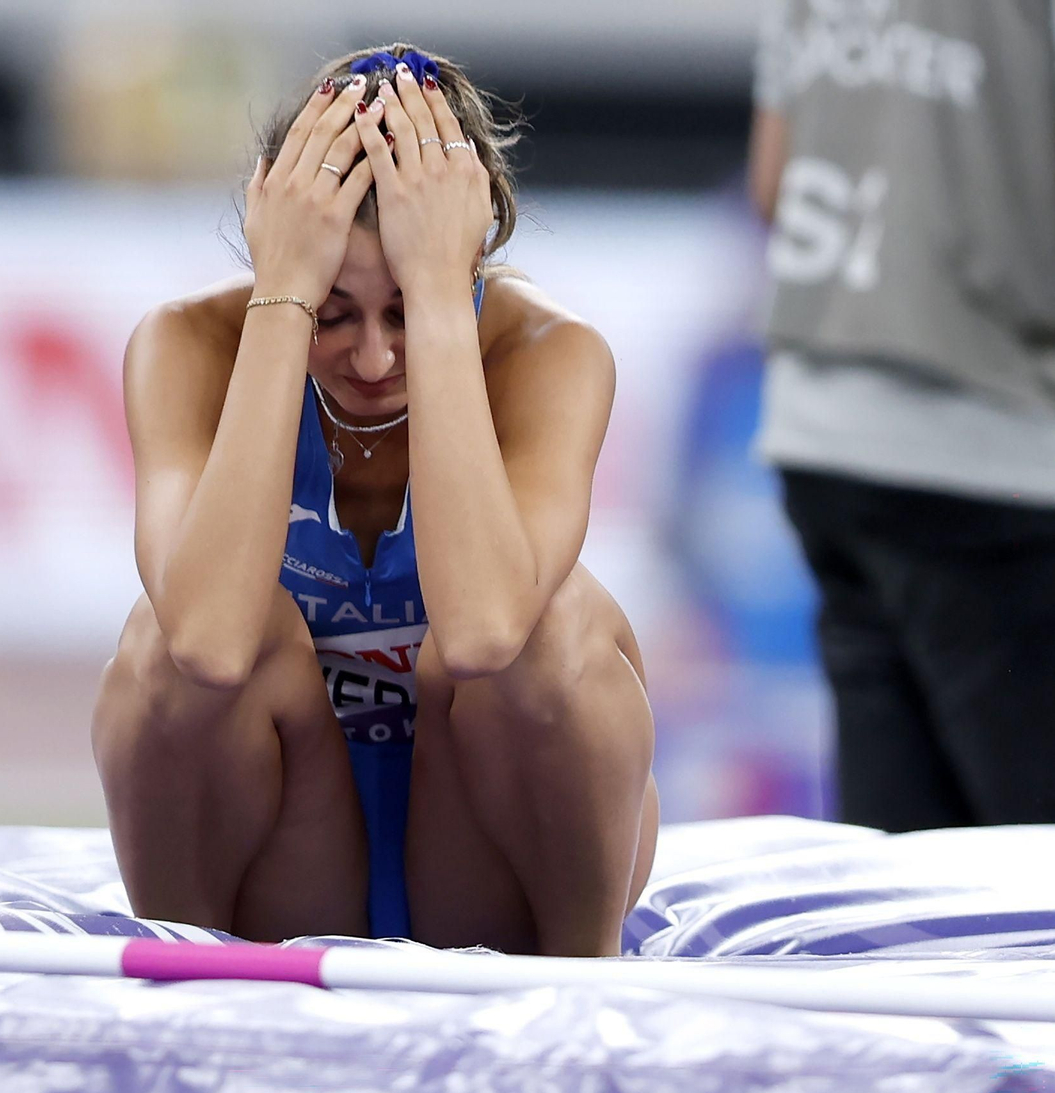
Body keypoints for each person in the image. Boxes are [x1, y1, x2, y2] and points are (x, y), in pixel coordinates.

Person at [91, 45, 659, 957]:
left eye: (403, 309)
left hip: (488, 859)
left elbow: (484, 635)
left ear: (474, 260)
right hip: (288, 859)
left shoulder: (550, 352)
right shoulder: (187, 343)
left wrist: (441, 297)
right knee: (160, 644)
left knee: (555, 628)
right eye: (333, 311)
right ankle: (187, 984)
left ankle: (581, 990)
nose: (373, 358)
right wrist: (283, 298)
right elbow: (203, 642)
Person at [748, 2, 1055, 833]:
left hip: (823, 430)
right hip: (992, 435)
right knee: (1030, 860)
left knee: (908, 863)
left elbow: (773, 182)